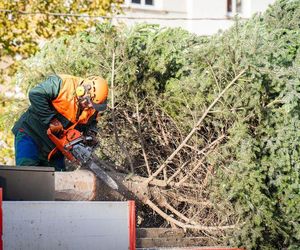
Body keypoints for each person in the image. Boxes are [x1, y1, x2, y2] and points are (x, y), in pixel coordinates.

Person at [12, 74, 108, 171]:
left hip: (55, 149)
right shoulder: (62, 84)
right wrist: (51, 119)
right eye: (87, 103)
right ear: (81, 91)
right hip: (31, 135)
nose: (88, 107)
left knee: (58, 181)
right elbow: (36, 94)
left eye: (92, 106)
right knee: (27, 174)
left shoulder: (92, 108)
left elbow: (91, 123)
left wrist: (91, 134)